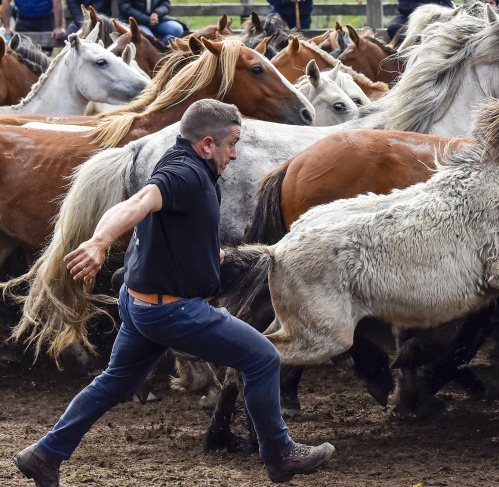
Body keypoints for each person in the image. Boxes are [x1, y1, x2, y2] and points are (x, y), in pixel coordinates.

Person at [12, 99, 334, 487]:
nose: (235, 153)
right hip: (172, 311)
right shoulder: (185, 174)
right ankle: (281, 455)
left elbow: (181, 236)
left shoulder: (187, 164)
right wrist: (99, 242)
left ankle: (43, 455)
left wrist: (234, 257)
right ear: (207, 144)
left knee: (117, 381)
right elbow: (138, 203)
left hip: (141, 303)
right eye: (232, 143)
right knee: (263, 357)